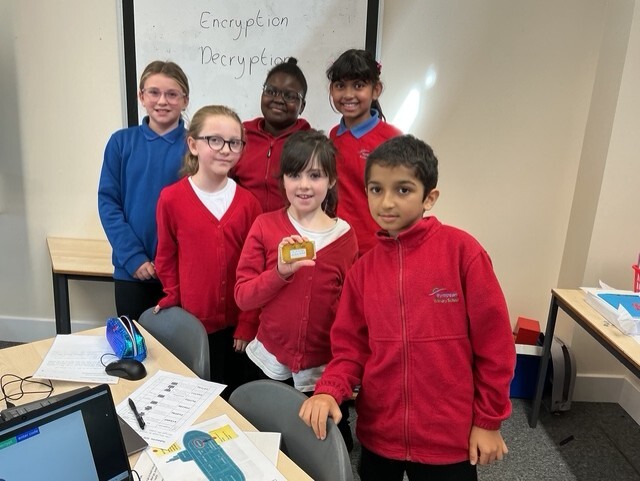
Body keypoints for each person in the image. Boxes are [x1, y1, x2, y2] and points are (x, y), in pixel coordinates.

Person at [299, 135, 516, 481]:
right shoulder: (363, 271)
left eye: (403, 190)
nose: (387, 202)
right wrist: (329, 390)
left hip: (448, 439)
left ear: (429, 197)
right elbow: (349, 350)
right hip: (380, 435)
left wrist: (489, 421)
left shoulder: (462, 252)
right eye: (376, 189)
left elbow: (496, 346)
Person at [234, 129, 358, 449]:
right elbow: (244, 296)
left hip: (322, 371)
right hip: (269, 362)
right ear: (283, 180)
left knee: (326, 450)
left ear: (331, 180)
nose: (303, 185)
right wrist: (279, 273)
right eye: (294, 174)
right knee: (266, 445)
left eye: (315, 175)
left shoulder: (345, 237)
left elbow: (350, 311)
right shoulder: (265, 225)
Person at [154, 105, 262, 395]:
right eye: (215, 140)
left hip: (237, 330)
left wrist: (248, 321)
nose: (225, 149)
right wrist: (173, 296)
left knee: (231, 398)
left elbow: (257, 269)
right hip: (194, 325)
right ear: (193, 145)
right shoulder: (171, 199)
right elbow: (165, 257)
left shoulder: (249, 204)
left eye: (234, 142)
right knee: (195, 397)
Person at [98, 60, 190, 321]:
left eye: (172, 94)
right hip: (131, 271)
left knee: (179, 343)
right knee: (134, 341)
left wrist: (170, 262)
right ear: (141, 96)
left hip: (180, 273)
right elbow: (109, 204)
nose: (162, 101)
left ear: (185, 100)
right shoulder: (121, 142)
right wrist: (133, 257)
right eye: (154, 92)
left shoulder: (195, 147)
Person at [327, 48, 403, 256]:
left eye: (358, 85)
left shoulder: (391, 139)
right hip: (336, 245)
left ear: (376, 90)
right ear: (331, 90)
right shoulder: (333, 136)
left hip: (376, 248)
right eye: (340, 86)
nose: (348, 94)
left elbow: (401, 198)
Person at [232, 57, 311, 212]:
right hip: (244, 223)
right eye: (271, 91)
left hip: (292, 225)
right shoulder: (240, 135)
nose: (278, 100)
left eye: (289, 96)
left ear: (302, 106)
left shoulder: (311, 143)